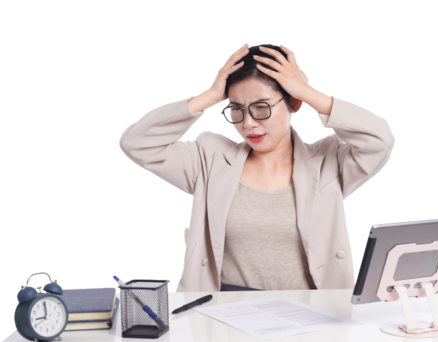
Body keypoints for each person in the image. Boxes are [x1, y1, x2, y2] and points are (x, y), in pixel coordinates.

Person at [119, 41, 396, 293]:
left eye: (261, 107)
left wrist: (309, 92)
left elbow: (380, 140)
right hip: (225, 319)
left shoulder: (328, 161)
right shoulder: (210, 159)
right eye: (236, 109)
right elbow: (136, 143)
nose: (248, 123)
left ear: (293, 103)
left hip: (312, 319)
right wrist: (209, 95)